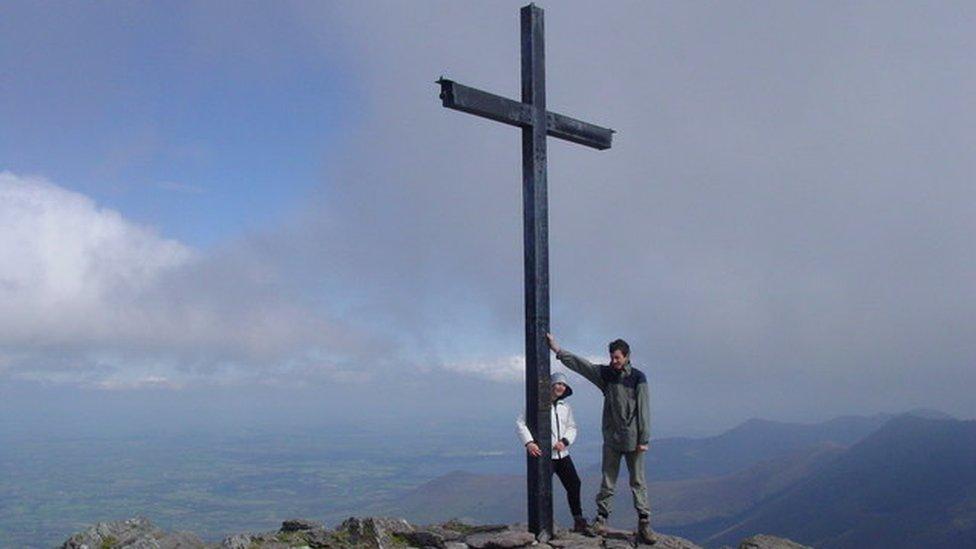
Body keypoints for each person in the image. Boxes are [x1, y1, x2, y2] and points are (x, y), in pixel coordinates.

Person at [546, 333, 656, 545]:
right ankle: (601, 520)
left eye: (617, 358)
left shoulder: (638, 378)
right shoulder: (606, 374)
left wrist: (644, 439)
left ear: (626, 356)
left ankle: (644, 524)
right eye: (612, 357)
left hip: (634, 440)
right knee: (608, 480)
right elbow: (583, 366)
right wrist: (558, 351)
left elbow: (644, 410)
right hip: (612, 439)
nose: (614, 361)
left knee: (638, 481)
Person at [516, 372, 589, 533]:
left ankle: (578, 520)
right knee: (542, 490)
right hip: (543, 456)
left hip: (562, 455)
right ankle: (541, 525)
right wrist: (529, 443)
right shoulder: (534, 404)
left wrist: (565, 441)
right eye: (558, 383)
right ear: (550, 385)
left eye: (563, 385)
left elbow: (572, 427)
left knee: (574, 484)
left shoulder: (566, 407)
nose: (560, 387)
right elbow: (520, 423)